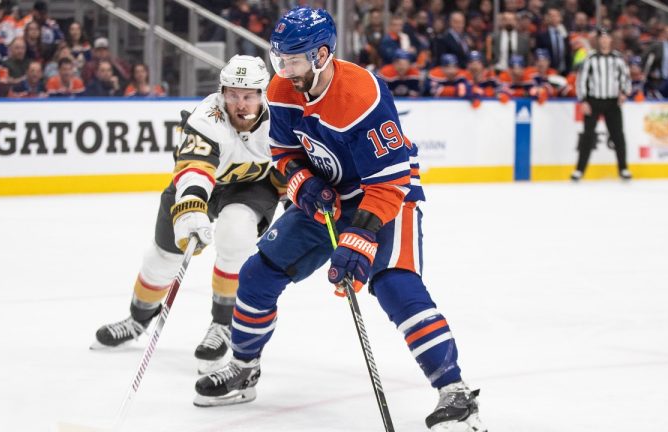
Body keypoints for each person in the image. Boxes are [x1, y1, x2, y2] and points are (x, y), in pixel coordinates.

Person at [194, 8, 487, 432]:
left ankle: (455, 394)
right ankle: (243, 367)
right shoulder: (281, 88)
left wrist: (360, 238)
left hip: (386, 196)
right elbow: (283, 155)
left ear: (322, 54)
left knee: (394, 284)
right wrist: (303, 184)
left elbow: (389, 181)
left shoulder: (363, 95)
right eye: (279, 58)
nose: (283, 69)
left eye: (292, 59)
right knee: (258, 274)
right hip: (328, 195)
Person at [93, 55, 286, 375]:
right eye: (232, 94)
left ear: (263, 95)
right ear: (222, 92)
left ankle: (223, 325)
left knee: (235, 234)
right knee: (162, 257)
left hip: (252, 187)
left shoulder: (281, 118)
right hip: (203, 186)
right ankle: (138, 319)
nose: (240, 103)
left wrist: (299, 200)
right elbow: (195, 170)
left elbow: (293, 163)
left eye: (248, 95)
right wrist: (190, 211)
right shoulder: (207, 117)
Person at [573, 28, 632, 182]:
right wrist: (583, 100)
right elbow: (581, 80)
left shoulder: (618, 58)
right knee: (587, 136)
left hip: (612, 102)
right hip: (594, 101)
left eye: (607, 38)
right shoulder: (590, 58)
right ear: (598, 41)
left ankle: (623, 168)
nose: (605, 41)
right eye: (602, 38)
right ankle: (579, 170)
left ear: (611, 40)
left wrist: (624, 92)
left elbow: (625, 77)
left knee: (618, 136)